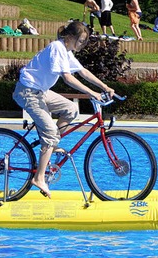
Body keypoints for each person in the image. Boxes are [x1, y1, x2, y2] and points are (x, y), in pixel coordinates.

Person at [12, 21, 115, 198]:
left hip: (40, 92)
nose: (82, 45)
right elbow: (67, 78)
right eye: (80, 41)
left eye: (84, 42)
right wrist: (92, 93)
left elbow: (82, 72)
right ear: (69, 37)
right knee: (51, 133)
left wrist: (105, 87)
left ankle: (52, 145)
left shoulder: (66, 51)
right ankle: (38, 178)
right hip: (27, 92)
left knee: (70, 109)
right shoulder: (57, 48)